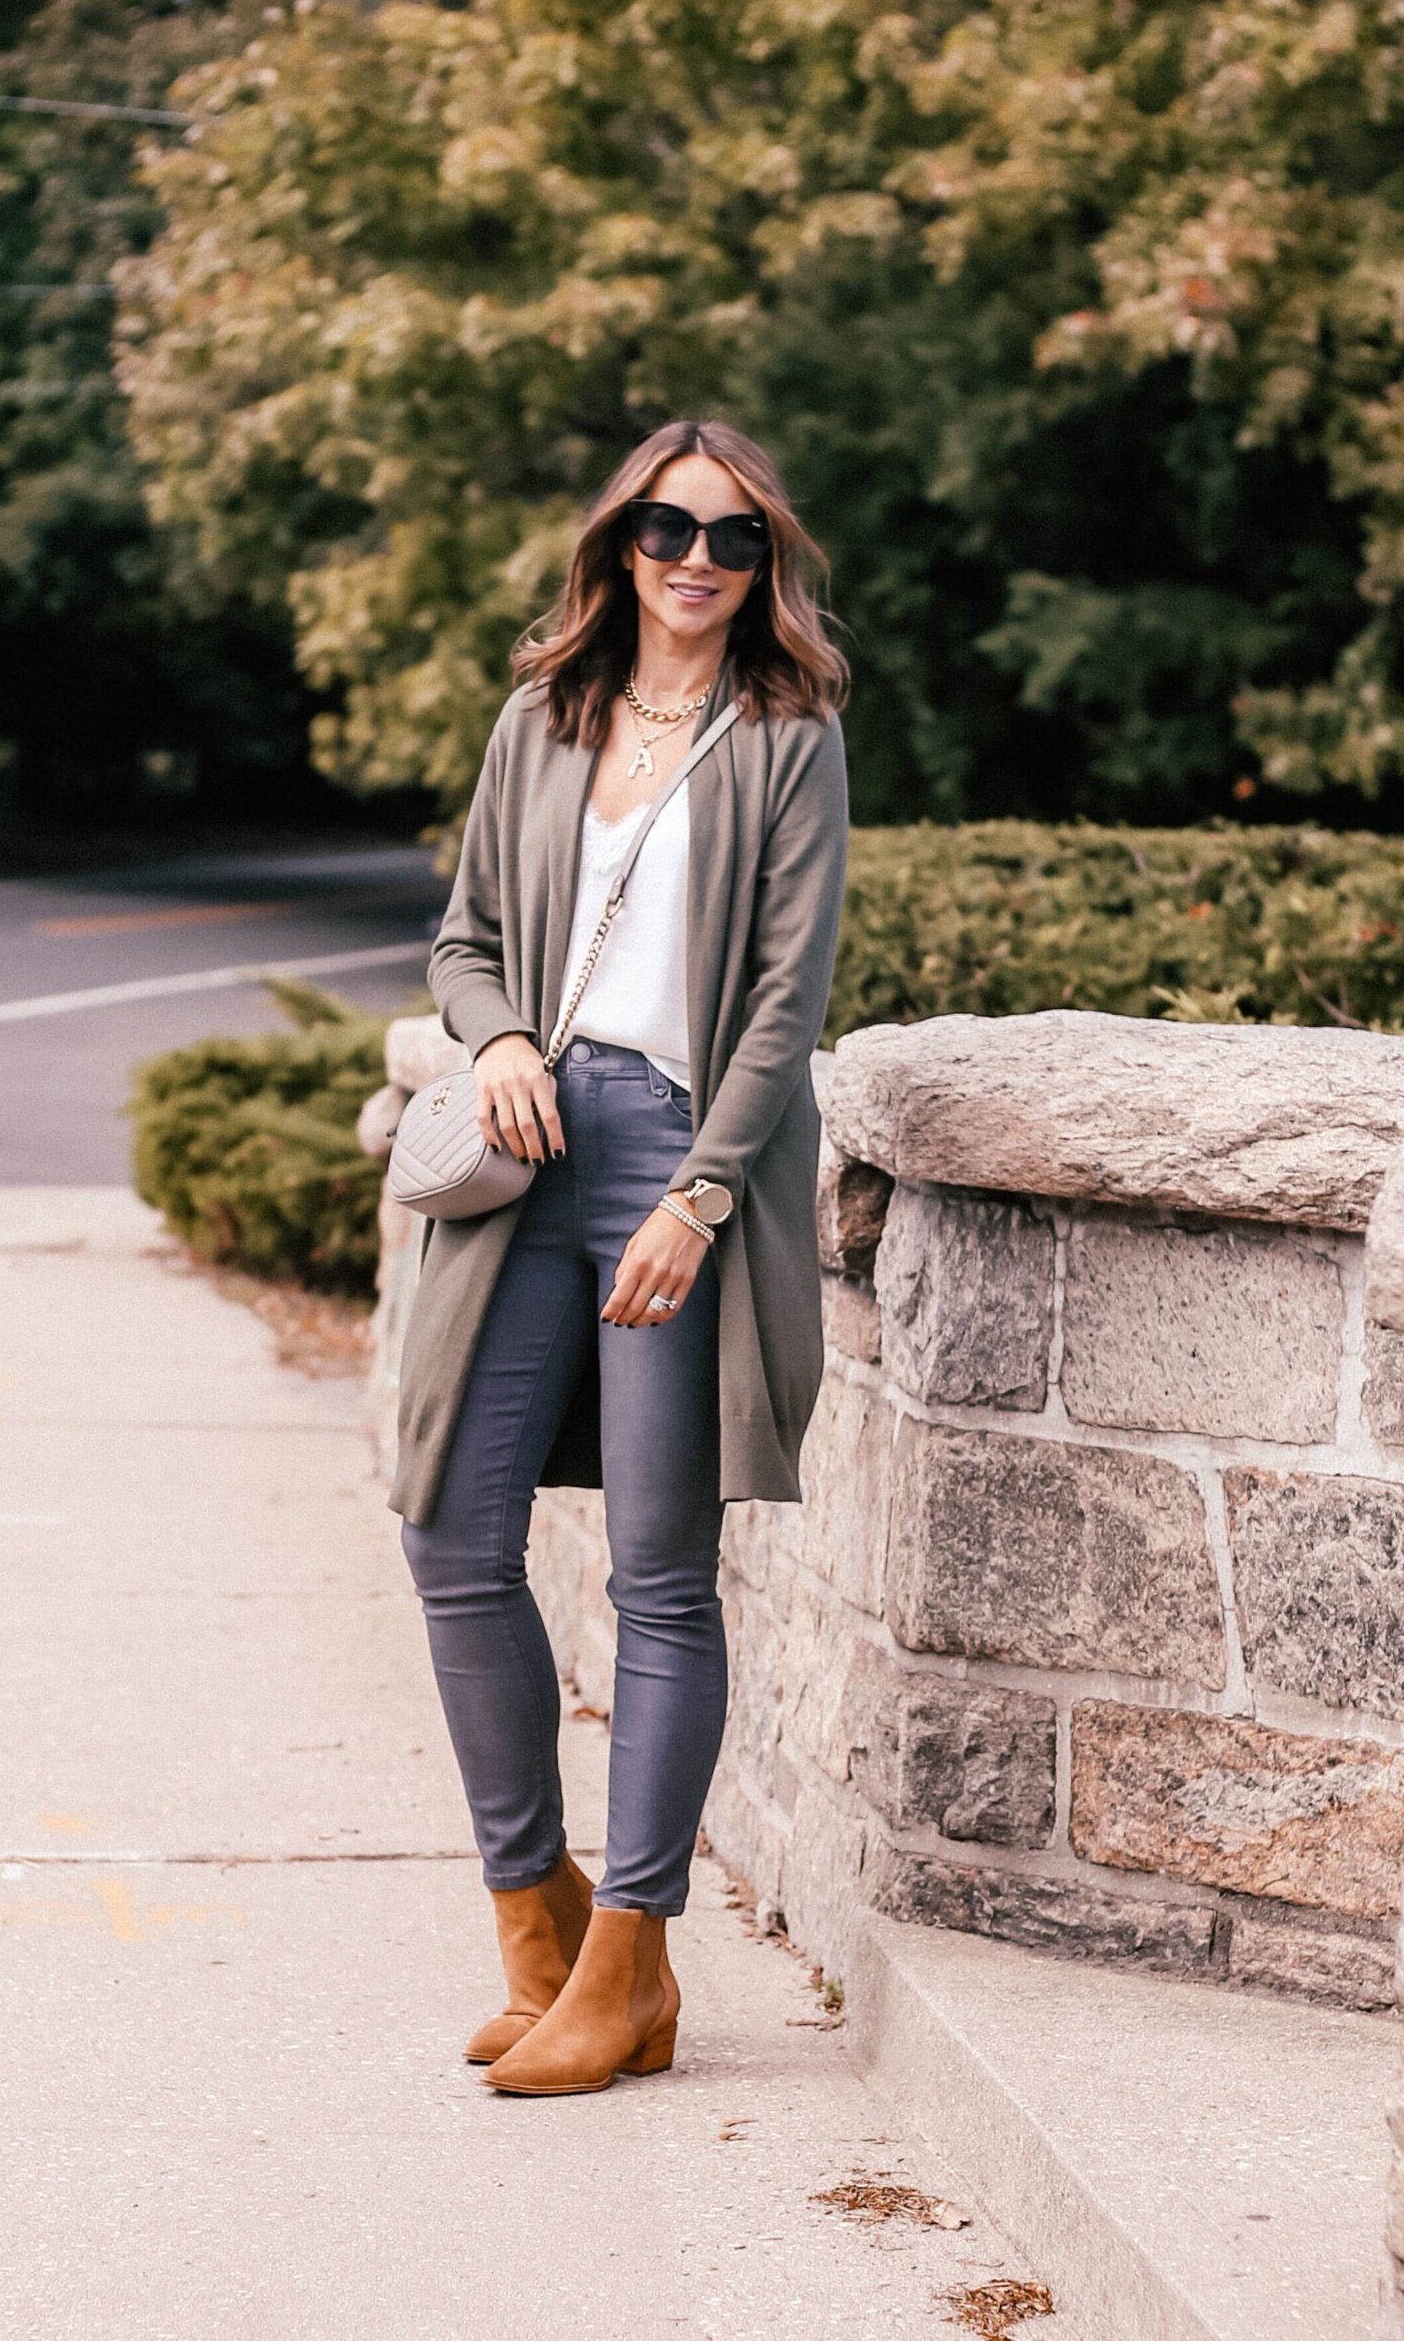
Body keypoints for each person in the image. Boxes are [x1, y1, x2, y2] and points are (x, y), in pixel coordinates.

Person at [390, 417, 850, 2097]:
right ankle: (537, 1919)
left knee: (661, 1573)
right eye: (669, 531)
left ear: (764, 567)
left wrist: (702, 1200)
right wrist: (498, 1032)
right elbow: (461, 941)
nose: (698, 564)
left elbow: (787, 1008)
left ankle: (634, 1962)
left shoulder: (789, 739)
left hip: (674, 1157)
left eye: (734, 542)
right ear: (620, 546)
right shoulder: (543, 722)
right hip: (527, 1151)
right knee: (452, 1521)